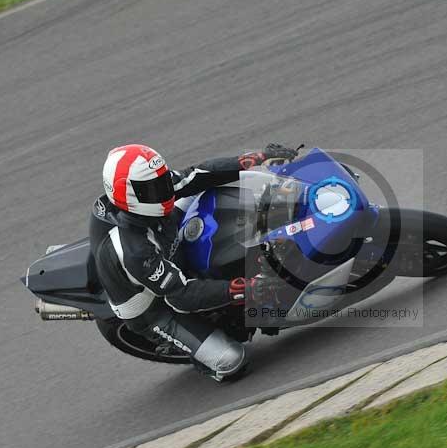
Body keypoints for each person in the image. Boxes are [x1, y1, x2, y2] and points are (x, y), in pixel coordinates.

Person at [88, 143, 297, 381]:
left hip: (165, 243)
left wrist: (252, 159)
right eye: (154, 189)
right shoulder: (134, 250)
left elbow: (195, 175)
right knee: (231, 360)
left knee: (209, 188)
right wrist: (242, 289)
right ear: (128, 195)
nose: (164, 191)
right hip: (156, 307)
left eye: (163, 181)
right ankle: (200, 356)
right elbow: (181, 295)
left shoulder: (151, 193)